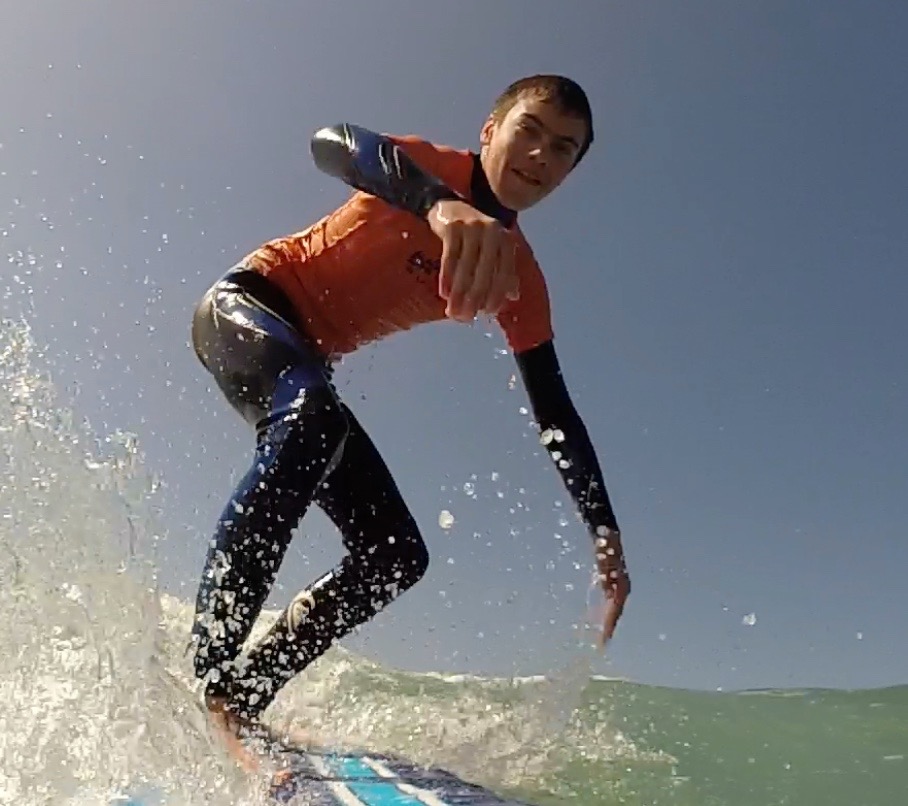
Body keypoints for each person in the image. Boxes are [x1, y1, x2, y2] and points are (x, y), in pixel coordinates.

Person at [188, 74, 631, 739]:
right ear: (492, 131)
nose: (541, 156)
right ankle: (211, 675)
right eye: (529, 131)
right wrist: (435, 203)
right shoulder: (426, 169)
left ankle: (247, 692)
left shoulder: (521, 278)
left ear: (568, 173)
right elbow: (329, 144)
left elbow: (556, 412)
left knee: (394, 553)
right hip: (247, 307)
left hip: (308, 371)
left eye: (563, 149)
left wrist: (604, 532)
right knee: (310, 422)